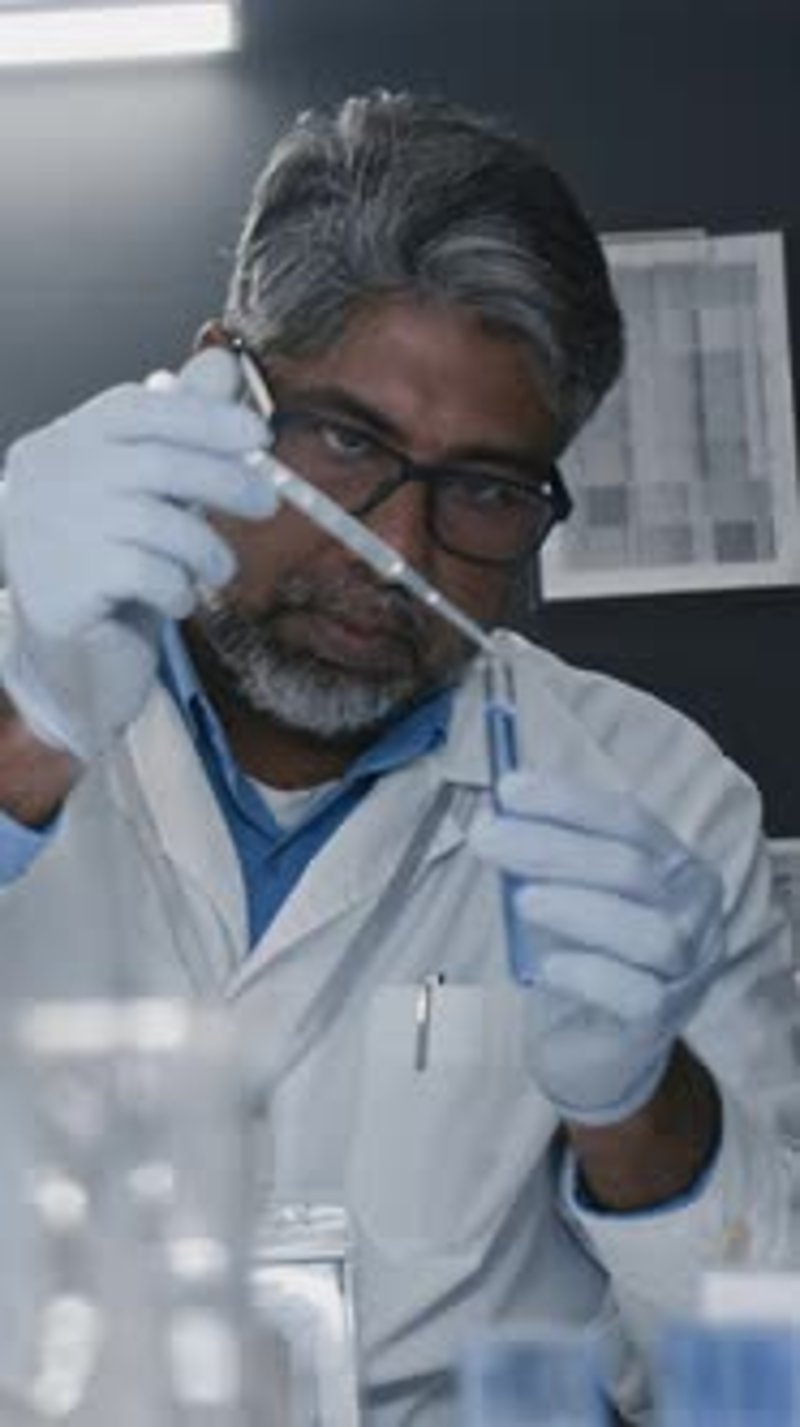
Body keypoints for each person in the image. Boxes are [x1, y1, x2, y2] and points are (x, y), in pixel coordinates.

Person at [0, 91, 797, 1425]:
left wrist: (649, 1115)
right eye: (346, 442)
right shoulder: (27, 672)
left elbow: (759, 1382)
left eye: (484, 486)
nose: (398, 556)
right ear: (220, 385)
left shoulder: (655, 802)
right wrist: (19, 753)